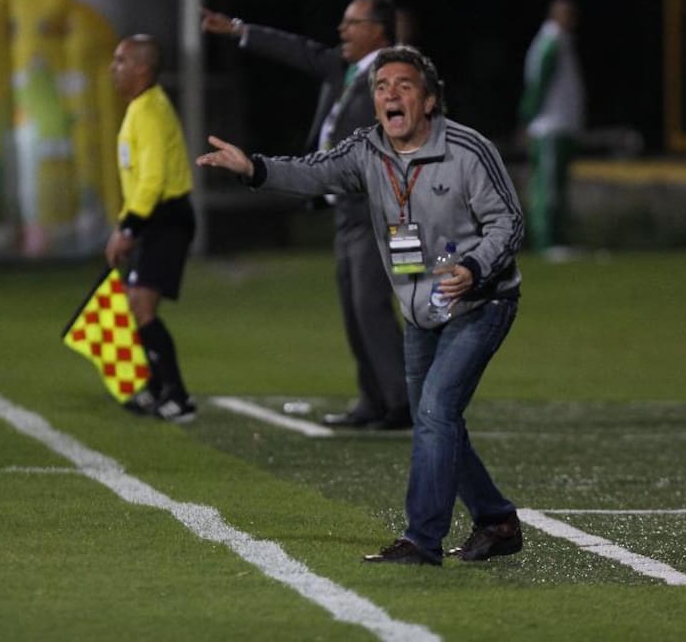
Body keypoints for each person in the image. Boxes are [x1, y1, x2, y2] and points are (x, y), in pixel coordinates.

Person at [197, 45, 525, 566]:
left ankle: (422, 539)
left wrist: (474, 268)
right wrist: (253, 168)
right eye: (380, 87)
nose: (390, 94)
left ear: (431, 101)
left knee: (437, 412)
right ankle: (497, 521)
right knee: (435, 419)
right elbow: (313, 172)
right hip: (421, 311)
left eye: (404, 85)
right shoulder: (367, 150)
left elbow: (508, 222)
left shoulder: (468, 149)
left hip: (482, 302)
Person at [200, 0, 410, 430]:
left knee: (370, 304)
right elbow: (299, 51)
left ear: (377, 31)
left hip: (378, 210)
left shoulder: (396, 77)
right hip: (345, 210)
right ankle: (373, 400)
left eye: (352, 23)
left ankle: (401, 402)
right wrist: (240, 31)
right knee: (354, 308)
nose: (342, 30)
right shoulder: (345, 69)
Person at [105, 34, 197, 423]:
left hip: (166, 217)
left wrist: (128, 227)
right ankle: (158, 388)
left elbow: (153, 179)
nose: (114, 67)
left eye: (121, 61)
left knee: (141, 305)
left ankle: (176, 395)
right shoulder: (140, 107)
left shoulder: (150, 110)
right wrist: (127, 224)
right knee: (134, 304)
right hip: (154, 218)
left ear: (142, 68)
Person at [518, 0, 586, 258]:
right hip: (549, 126)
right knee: (547, 187)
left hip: (561, 125)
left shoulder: (562, 42)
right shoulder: (550, 43)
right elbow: (538, 85)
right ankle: (545, 241)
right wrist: (527, 118)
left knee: (557, 185)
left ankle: (558, 239)